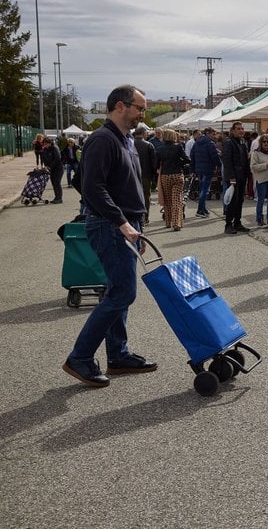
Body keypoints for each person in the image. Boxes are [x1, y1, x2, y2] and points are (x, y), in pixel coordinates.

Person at [63, 84, 157, 387]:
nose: (142, 114)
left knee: (119, 289)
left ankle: (118, 355)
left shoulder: (125, 139)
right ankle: (80, 357)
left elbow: (82, 180)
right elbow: (90, 186)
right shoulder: (102, 139)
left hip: (125, 224)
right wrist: (120, 221)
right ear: (120, 106)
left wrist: (134, 223)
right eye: (139, 108)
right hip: (111, 226)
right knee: (122, 293)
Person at [156, 129, 190, 231]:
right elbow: (187, 159)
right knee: (176, 199)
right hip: (177, 174)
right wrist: (180, 163)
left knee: (167, 200)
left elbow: (156, 163)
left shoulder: (160, 148)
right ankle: (176, 223)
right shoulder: (178, 147)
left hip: (165, 175)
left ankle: (168, 222)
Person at [221, 122, 251, 234]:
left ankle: (237, 222)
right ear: (233, 130)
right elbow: (227, 161)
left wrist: (248, 174)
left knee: (240, 200)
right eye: (238, 129)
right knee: (232, 201)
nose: (241, 130)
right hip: (233, 177)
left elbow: (245, 160)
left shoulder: (243, 142)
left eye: (242, 128)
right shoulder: (228, 142)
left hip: (242, 176)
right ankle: (228, 224)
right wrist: (231, 177)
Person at [190, 127, 221, 218]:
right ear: (208, 133)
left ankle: (203, 209)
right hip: (208, 169)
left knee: (202, 189)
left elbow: (192, 157)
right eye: (213, 134)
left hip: (199, 169)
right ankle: (200, 210)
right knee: (204, 190)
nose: (214, 136)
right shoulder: (210, 144)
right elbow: (214, 157)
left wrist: (192, 170)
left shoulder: (196, 143)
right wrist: (219, 165)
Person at [133, 126, 157, 224]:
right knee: (145, 196)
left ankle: (135, 217)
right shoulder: (148, 145)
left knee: (133, 196)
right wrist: (154, 176)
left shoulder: (129, 144)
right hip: (146, 175)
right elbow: (153, 162)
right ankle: (145, 217)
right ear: (143, 134)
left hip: (131, 175)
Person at [40, 138, 64, 204]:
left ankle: (59, 198)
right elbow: (43, 158)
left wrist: (50, 166)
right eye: (44, 144)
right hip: (51, 169)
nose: (45, 145)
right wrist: (46, 166)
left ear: (50, 143)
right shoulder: (45, 149)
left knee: (57, 182)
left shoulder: (55, 148)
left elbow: (57, 158)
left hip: (58, 168)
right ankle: (56, 197)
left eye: (46, 143)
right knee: (53, 183)